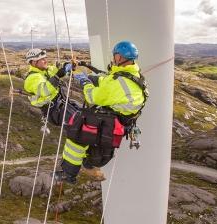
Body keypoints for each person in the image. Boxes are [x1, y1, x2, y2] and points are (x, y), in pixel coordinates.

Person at [53, 41, 147, 186]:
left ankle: (68, 173)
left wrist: (85, 82)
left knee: (77, 131)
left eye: (115, 56)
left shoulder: (120, 82)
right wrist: (94, 78)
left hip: (112, 120)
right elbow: (109, 81)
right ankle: (83, 166)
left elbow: (92, 96)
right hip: (121, 119)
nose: (114, 58)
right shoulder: (133, 74)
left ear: (120, 58)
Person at [24, 48, 81, 127]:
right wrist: (57, 77)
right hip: (54, 110)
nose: (46, 61)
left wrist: (67, 66)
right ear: (34, 63)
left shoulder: (47, 70)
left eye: (45, 58)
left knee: (87, 112)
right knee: (80, 122)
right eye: (42, 59)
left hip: (63, 102)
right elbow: (45, 90)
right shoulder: (32, 78)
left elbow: (58, 69)